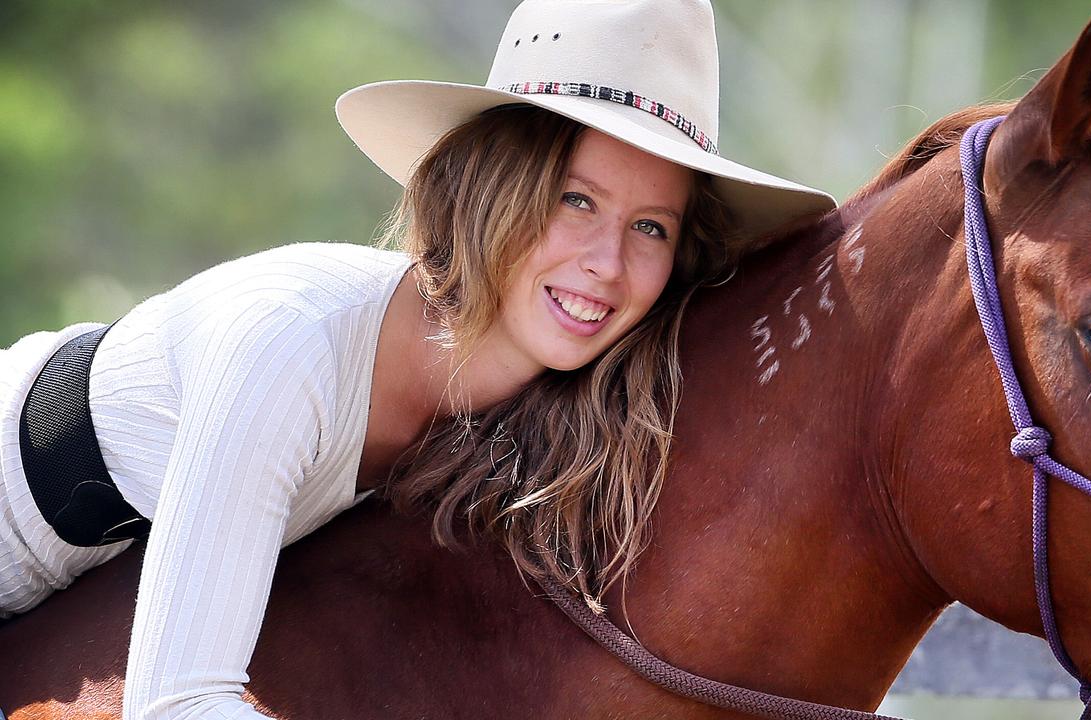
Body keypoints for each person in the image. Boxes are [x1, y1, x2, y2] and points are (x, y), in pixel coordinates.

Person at [0, 0, 834, 717]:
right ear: (491, 186)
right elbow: (176, 701)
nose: (607, 264)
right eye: (576, 199)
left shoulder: (551, 415)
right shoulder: (291, 344)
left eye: (651, 226)